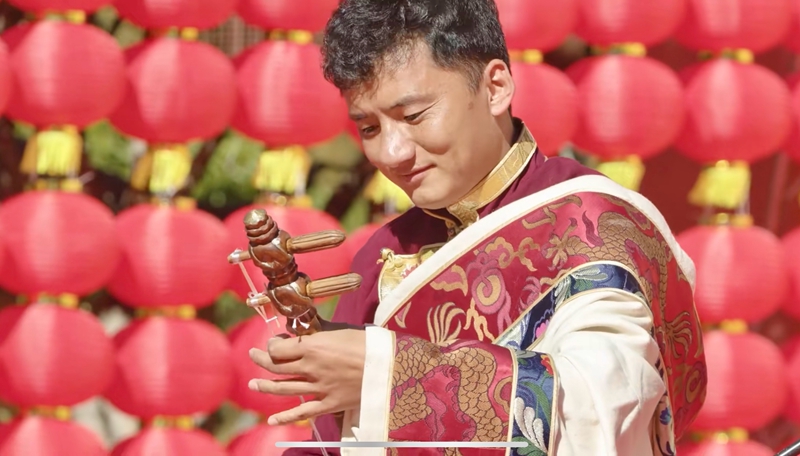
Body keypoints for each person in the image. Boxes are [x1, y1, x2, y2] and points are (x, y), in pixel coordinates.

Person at [246, 0, 707, 454]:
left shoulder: (589, 223)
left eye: (413, 116)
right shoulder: (382, 256)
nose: (391, 153)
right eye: (369, 128)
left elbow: (603, 415)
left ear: (495, 87)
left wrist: (389, 375)